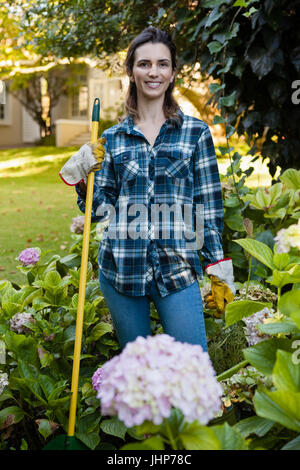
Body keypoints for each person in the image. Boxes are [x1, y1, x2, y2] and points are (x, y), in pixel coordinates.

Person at [59, 26, 235, 351]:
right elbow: (98, 210)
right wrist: (84, 177)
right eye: (144, 64)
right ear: (131, 71)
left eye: (162, 64)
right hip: (121, 271)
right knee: (137, 375)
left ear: (172, 73)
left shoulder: (196, 134)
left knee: (191, 370)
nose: (153, 72)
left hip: (177, 270)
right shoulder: (111, 139)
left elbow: (207, 206)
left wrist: (216, 266)